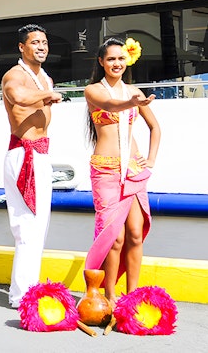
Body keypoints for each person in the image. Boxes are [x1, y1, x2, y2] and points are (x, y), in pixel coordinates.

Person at [83, 38, 161, 305]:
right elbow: (111, 106)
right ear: (101, 62)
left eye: (120, 58)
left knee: (136, 234)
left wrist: (150, 160)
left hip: (134, 168)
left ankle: (133, 296)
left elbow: (155, 127)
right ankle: (110, 296)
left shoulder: (133, 91)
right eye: (111, 59)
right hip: (105, 169)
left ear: (127, 60)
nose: (117, 63)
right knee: (114, 237)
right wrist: (134, 102)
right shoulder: (93, 90)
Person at [0, 24, 63, 307]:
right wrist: (46, 96)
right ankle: (21, 295)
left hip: (41, 153)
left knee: (39, 226)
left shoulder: (43, 77)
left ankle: (28, 288)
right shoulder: (15, 75)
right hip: (24, 154)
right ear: (21, 48)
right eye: (35, 42)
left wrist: (46, 92)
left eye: (45, 42)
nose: (41, 46)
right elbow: (18, 97)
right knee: (27, 226)